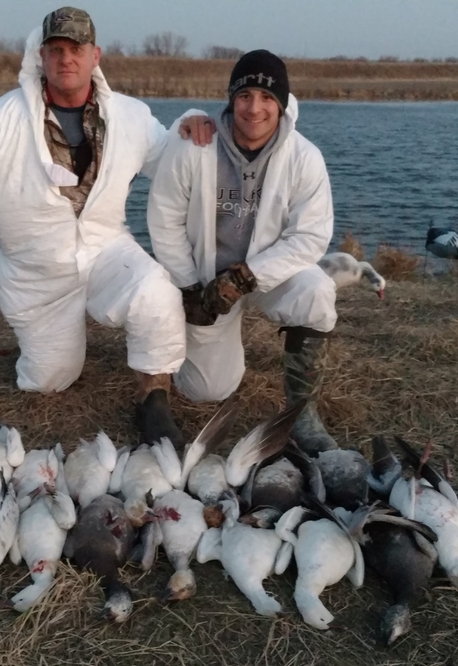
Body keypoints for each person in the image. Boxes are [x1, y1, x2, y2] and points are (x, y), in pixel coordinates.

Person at [0, 7, 213, 448]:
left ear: (95, 55)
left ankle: (153, 398)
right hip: (34, 271)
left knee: (155, 291)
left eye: (76, 49)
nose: (67, 59)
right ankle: (51, 344)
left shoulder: (130, 117)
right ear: (40, 56)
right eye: (56, 49)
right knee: (48, 381)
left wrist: (191, 123)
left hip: (105, 250)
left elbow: (171, 160)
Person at [146, 49, 340, 453]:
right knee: (208, 390)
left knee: (316, 292)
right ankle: (180, 336)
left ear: (282, 105)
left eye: (268, 98)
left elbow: (310, 237)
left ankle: (301, 413)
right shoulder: (194, 145)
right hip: (206, 280)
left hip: (267, 273)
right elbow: (164, 219)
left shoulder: (305, 158)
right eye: (245, 96)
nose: (255, 108)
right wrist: (189, 286)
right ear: (231, 99)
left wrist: (245, 278)